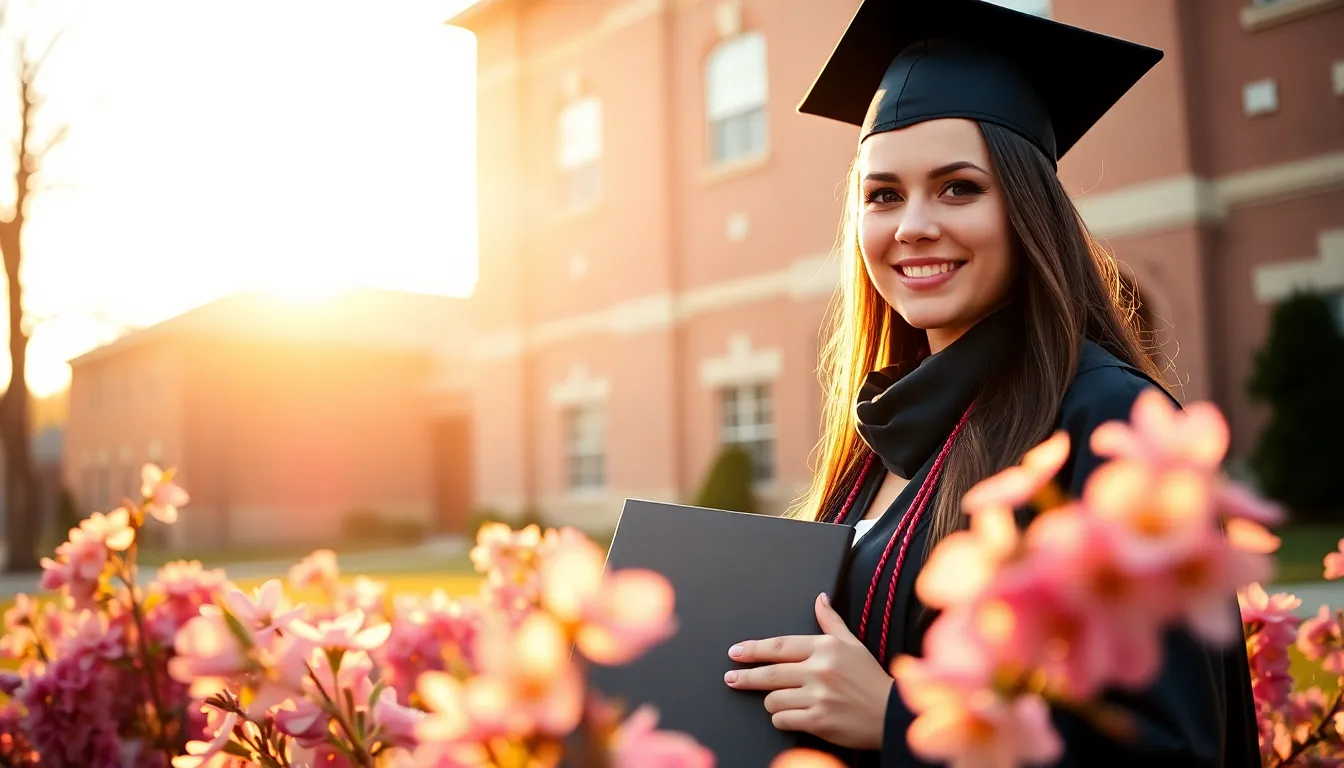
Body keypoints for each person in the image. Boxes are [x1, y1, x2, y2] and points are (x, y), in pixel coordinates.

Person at [719, 0, 1260, 766]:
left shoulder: (1111, 422)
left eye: (958, 188)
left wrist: (900, 721)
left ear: (1027, 208)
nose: (912, 225)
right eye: (883, 194)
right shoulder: (883, 433)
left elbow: (1171, 750)